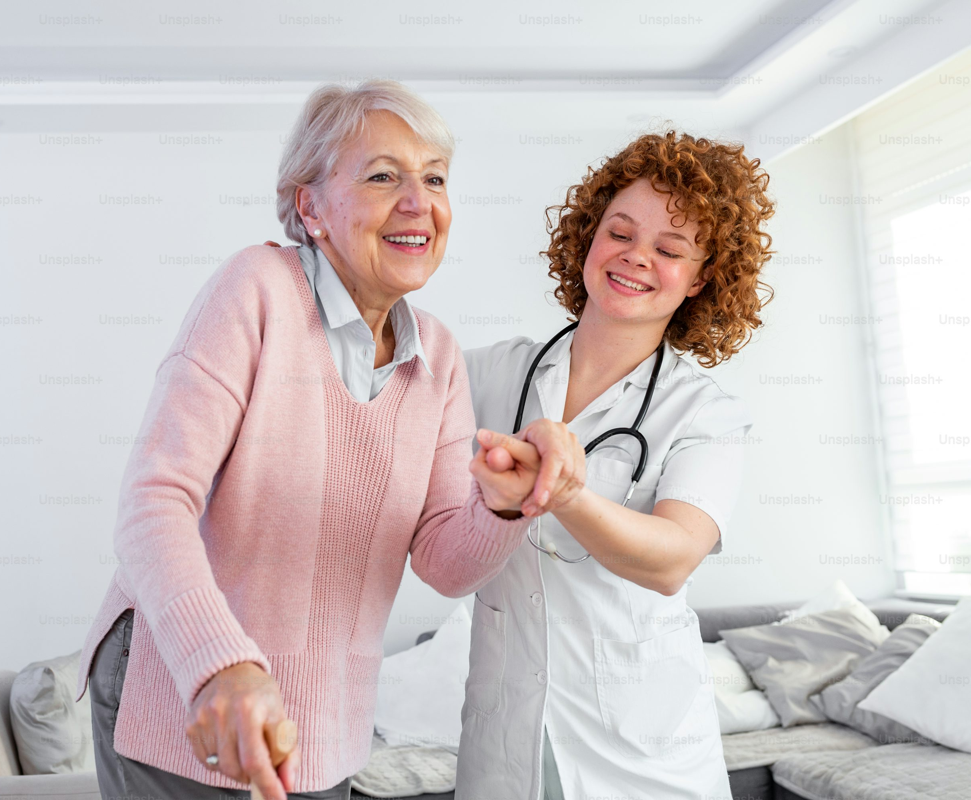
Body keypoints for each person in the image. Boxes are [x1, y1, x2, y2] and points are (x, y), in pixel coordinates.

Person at [73, 80, 545, 800]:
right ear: (310, 206)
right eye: (384, 175)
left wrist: (506, 508)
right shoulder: (257, 289)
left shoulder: (440, 356)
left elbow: (446, 561)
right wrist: (220, 665)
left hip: (324, 720)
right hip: (188, 682)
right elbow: (152, 503)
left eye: (435, 178)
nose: (418, 201)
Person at [455, 131, 775, 799]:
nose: (635, 258)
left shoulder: (705, 415)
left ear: (702, 277)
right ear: (587, 236)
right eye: (619, 232)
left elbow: (672, 559)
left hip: (644, 761)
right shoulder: (491, 374)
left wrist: (563, 489)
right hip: (507, 745)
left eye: (669, 249)